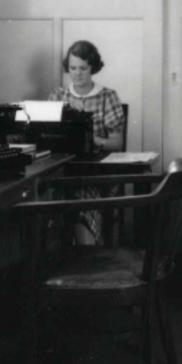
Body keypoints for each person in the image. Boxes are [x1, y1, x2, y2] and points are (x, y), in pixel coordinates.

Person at [48, 40, 126, 244]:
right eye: (73, 68)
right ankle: (58, 253)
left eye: (83, 68)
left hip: (97, 173)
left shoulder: (107, 96)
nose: (77, 73)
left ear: (93, 68)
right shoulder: (58, 95)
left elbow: (117, 143)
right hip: (63, 169)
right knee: (44, 193)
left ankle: (86, 254)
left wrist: (92, 140)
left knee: (81, 195)